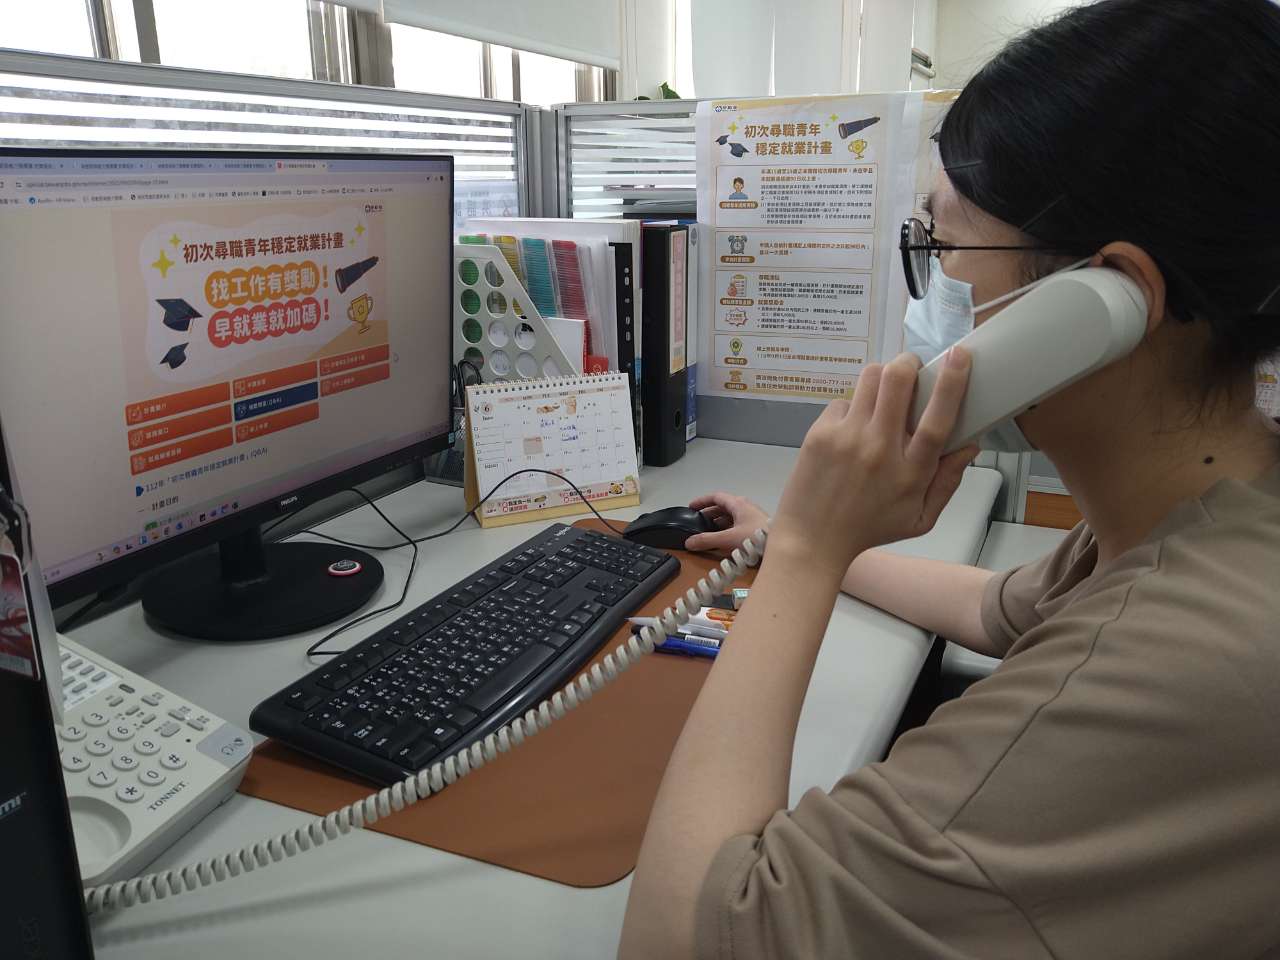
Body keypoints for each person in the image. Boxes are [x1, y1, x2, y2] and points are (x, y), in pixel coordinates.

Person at [618, 1, 1280, 957]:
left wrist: (805, 554)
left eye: (944, 243)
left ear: (1104, 304)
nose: (932, 286)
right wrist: (790, 533)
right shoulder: (1215, 510)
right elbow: (993, 608)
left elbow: (676, 939)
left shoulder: (1169, 663)